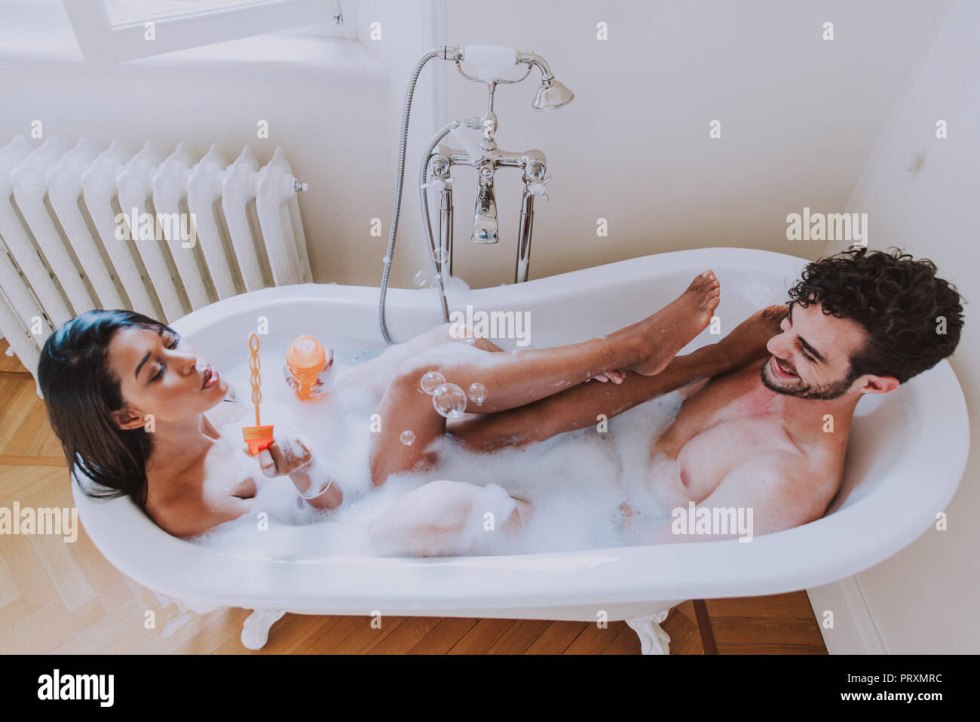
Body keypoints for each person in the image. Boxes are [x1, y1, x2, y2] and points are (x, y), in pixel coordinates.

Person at [38, 269, 775, 552]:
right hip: (368, 494)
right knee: (428, 379)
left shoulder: (204, 398)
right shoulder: (187, 501)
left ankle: (706, 359)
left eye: (167, 339)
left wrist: (317, 389)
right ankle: (627, 344)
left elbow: (315, 405)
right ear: (129, 417)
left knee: (483, 368)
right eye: (156, 369)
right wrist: (298, 469)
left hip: (374, 452)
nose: (188, 357)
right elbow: (325, 509)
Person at [446, 247, 965, 544]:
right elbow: (647, 405)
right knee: (451, 350)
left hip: (568, 516)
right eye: (789, 322)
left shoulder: (779, 483)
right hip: (582, 452)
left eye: (806, 350)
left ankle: (625, 348)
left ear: (875, 385)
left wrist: (528, 507)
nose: (774, 344)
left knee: (436, 502)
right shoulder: (777, 369)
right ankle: (625, 350)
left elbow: (652, 555)